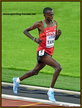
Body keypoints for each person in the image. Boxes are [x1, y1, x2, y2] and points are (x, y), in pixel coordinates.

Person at [13, 7, 62, 102]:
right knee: (58, 67)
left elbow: (54, 38)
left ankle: (17, 80)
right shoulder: (39, 24)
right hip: (42, 52)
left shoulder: (55, 23)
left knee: (35, 71)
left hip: (50, 51)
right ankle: (51, 91)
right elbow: (25, 31)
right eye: (50, 14)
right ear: (45, 15)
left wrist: (58, 35)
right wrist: (35, 39)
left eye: (52, 14)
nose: (52, 16)